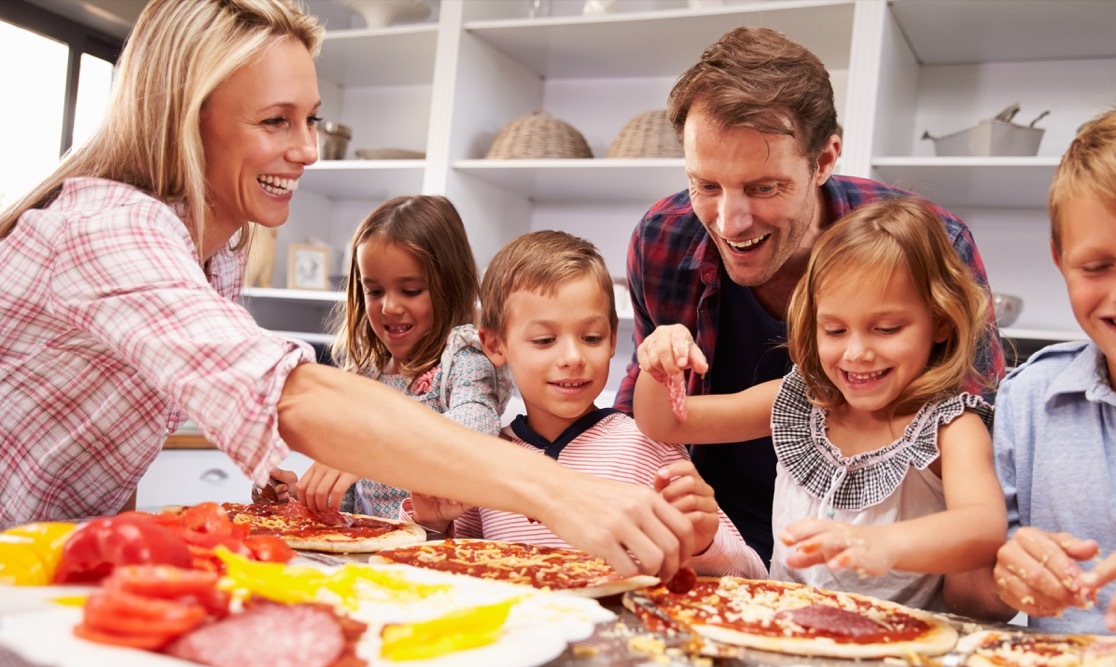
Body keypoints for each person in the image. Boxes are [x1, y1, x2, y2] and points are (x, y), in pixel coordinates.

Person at [0, 0, 697, 581]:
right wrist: (557, 490)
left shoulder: (219, 250)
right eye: (276, 120)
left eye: (310, 118)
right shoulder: (110, 228)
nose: (306, 149)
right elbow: (295, 395)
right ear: (187, 116)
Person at [616, 25, 1005, 568]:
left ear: (824, 160)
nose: (729, 222)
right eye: (706, 186)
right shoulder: (663, 239)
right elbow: (654, 423)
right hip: (720, 548)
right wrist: (658, 360)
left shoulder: (928, 247)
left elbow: (986, 487)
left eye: (763, 187)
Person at [635, 197, 1006, 609]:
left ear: (939, 321)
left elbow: (983, 527)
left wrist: (876, 544)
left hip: (892, 657)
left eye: (885, 329)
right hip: (781, 642)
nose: (856, 352)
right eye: (835, 330)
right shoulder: (802, 402)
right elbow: (666, 423)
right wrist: (659, 363)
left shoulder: (950, 428)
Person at [943, 95, 1116, 642]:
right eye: (1097, 266)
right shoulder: (1028, 397)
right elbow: (966, 593)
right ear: (1061, 261)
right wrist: (1007, 579)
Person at [414, 230, 766, 579]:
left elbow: (753, 576)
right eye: (545, 340)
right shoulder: (486, 457)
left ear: (613, 338)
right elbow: (449, 575)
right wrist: (431, 523)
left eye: (591, 338)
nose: (572, 357)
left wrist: (704, 543)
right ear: (494, 345)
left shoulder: (646, 447)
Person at [272, 195, 512, 518]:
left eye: (410, 290)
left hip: (437, 551)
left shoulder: (463, 358)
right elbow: (354, 503)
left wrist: (368, 449)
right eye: (374, 291)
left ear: (451, 286)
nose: (389, 307)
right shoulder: (366, 375)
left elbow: (473, 431)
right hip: (374, 552)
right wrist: (302, 496)